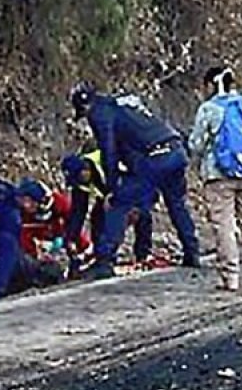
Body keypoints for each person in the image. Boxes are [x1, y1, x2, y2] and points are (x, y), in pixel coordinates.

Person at [69, 82, 201, 279]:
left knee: (119, 202)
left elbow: (109, 151)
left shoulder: (100, 113)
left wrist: (111, 189)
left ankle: (104, 261)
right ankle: (192, 253)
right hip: (176, 151)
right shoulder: (126, 103)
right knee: (176, 203)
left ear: (85, 107)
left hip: (154, 158)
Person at [188, 66, 242, 292]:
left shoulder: (209, 108)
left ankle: (231, 278)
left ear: (210, 85)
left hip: (219, 175)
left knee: (224, 225)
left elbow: (196, 144)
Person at [60, 149, 154, 273]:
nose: (79, 183)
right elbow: (78, 211)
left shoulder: (107, 160)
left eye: (80, 178)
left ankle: (142, 254)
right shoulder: (81, 180)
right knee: (97, 216)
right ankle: (101, 256)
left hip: (133, 185)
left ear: (85, 170)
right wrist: (71, 239)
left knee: (139, 215)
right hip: (109, 194)